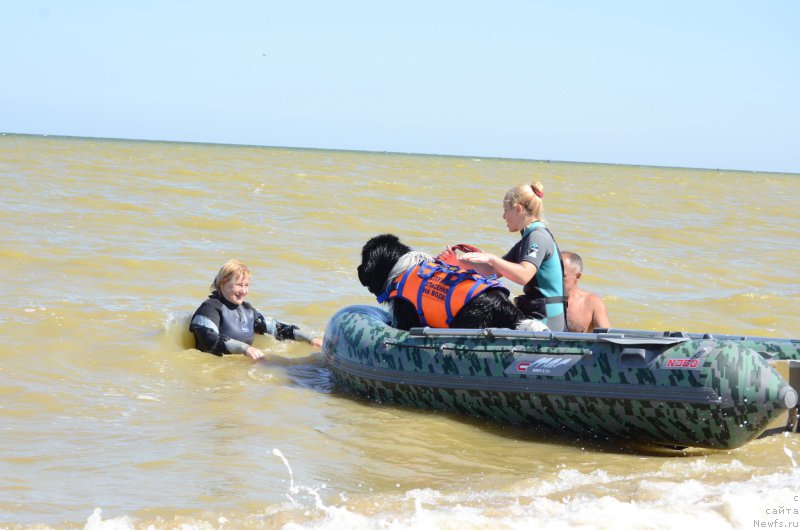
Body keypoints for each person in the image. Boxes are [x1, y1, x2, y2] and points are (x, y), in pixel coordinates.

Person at [457, 181, 566, 332]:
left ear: (518, 209)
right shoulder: (527, 239)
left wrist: (492, 258)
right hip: (536, 315)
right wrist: (458, 262)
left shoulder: (538, 237)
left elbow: (524, 275)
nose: (503, 216)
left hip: (546, 322)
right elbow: (493, 271)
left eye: (505, 210)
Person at [190, 259, 323, 359]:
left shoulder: (247, 310)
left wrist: (310, 338)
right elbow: (209, 340)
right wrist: (245, 349)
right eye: (239, 285)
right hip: (213, 374)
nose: (244, 291)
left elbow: (278, 329)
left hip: (239, 373)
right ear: (222, 284)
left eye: (246, 285)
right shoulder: (209, 308)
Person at [561, 250, 611, 333]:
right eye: (554, 274)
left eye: (562, 275)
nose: (555, 278)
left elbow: (607, 337)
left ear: (577, 276)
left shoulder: (592, 303)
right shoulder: (544, 299)